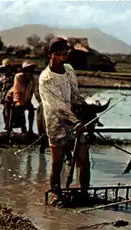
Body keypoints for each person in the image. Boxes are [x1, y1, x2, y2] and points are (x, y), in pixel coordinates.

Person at [39, 37, 90, 206]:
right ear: (50, 54)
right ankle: (56, 194)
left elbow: (75, 95)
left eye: (65, 54)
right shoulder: (46, 79)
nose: (63, 58)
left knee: (84, 160)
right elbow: (57, 106)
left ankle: (84, 193)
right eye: (60, 54)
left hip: (74, 121)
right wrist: (76, 121)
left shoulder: (69, 70)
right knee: (57, 163)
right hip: (56, 123)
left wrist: (85, 110)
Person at [6, 61, 41, 134]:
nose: (28, 73)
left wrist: (41, 102)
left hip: (26, 100)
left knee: (31, 109)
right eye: (27, 71)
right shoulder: (18, 77)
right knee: (13, 112)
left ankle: (30, 130)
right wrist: (17, 101)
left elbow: (36, 92)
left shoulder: (34, 80)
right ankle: (9, 129)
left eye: (30, 71)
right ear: (24, 71)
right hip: (12, 99)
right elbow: (17, 90)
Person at [0, 59, 16, 130]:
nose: (6, 70)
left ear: (11, 69)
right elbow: (1, 90)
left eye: (7, 68)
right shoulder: (1, 80)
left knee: (10, 113)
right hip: (4, 98)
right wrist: (1, 98)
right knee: (4, 112)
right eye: (4, 69)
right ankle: (7, 126)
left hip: (11, 99)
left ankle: (9, 127)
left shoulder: (14, 78)